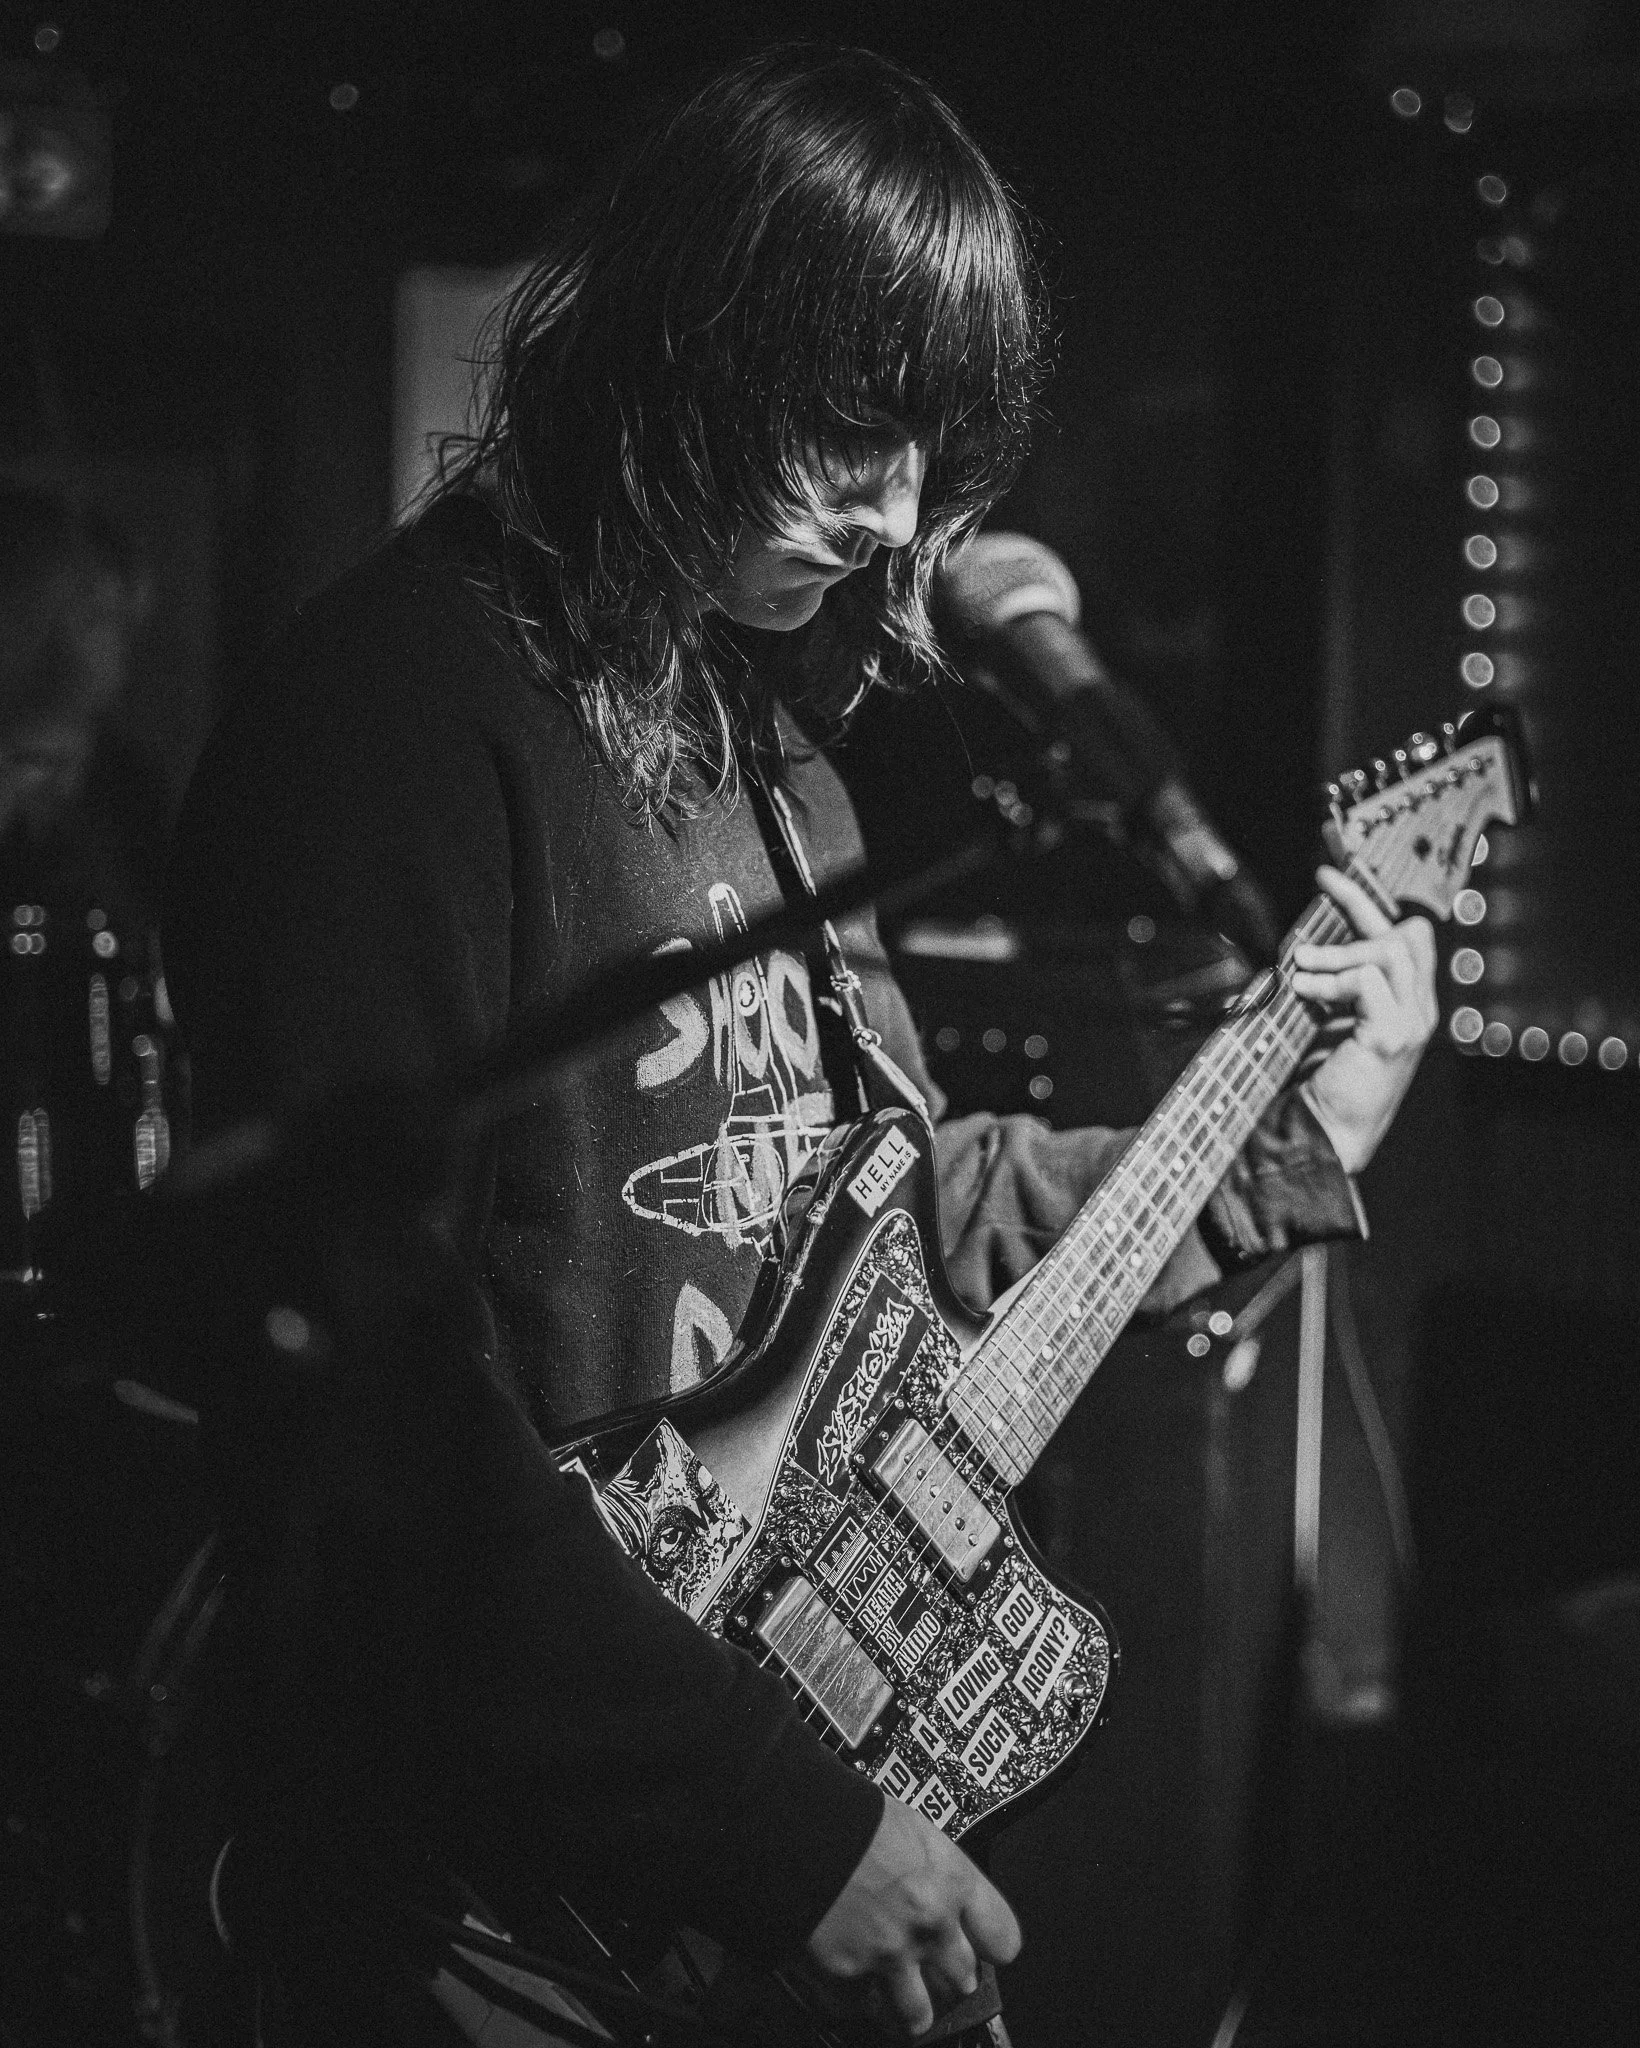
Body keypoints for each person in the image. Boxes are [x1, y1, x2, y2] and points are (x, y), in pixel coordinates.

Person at [162, 43, 1437, 2045]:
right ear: (692, 346)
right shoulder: (396, 730)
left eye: (940, 453)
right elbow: (368, 1410)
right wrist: (780, 1827)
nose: (905, 510)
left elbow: (885, 1226)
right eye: (857, 426)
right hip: (473, 1916)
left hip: (731, 1871)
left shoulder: (774, 764)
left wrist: (1289, 1130)